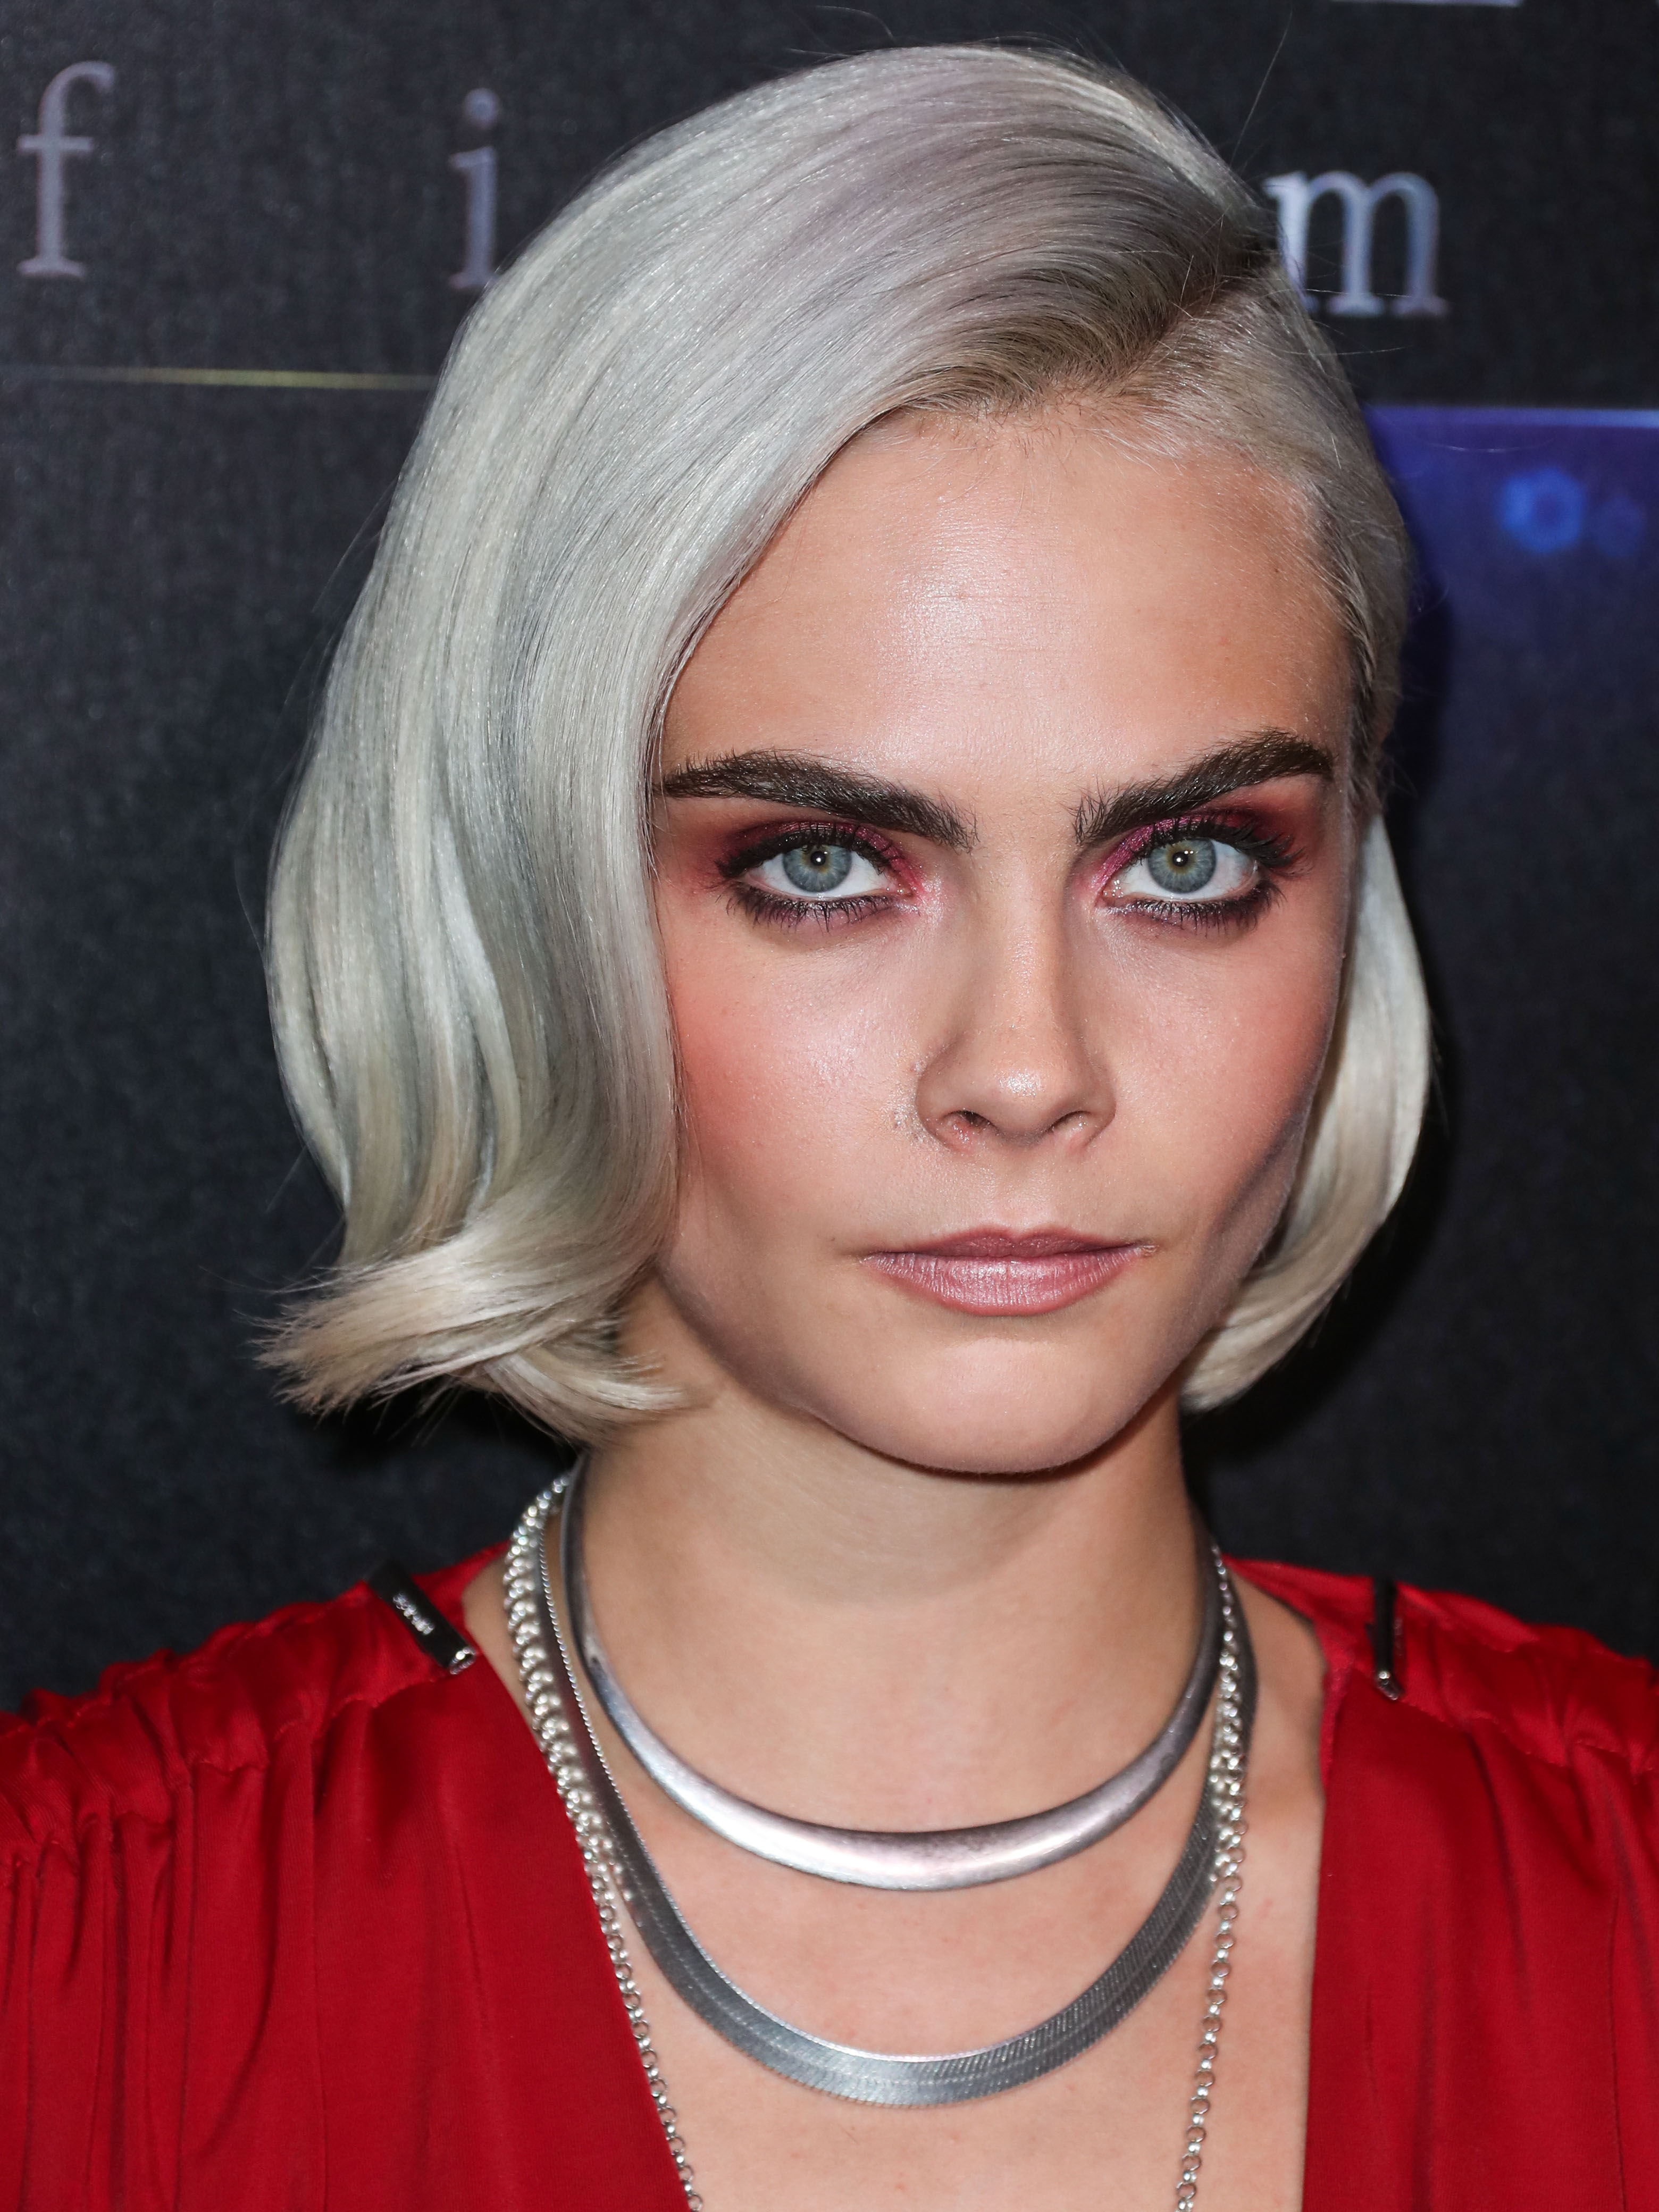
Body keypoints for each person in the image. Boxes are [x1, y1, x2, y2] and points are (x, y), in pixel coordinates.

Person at [3, 44, 1655, 2212]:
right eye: (821, 865)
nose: (1027, 1066)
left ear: (1355, 882)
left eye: (1184, 863)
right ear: (521, 894)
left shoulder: (1616, 1916)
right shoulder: (80, 1976)